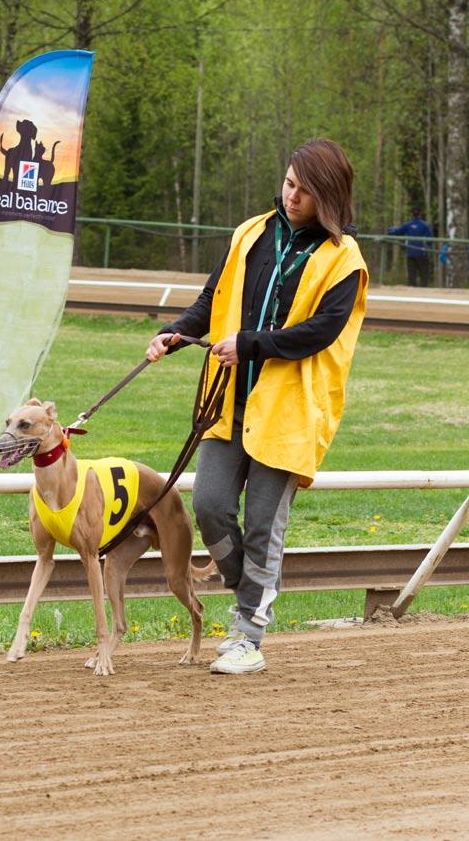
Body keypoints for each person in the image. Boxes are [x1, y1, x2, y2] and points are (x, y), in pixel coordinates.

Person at [146, 139, 368, 676]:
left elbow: (320, 333)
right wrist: (176, 333)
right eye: (289, 184)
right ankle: (249, 595)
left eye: (306, 190)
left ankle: (249, 635)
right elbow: (212, 300)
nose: (292, 196)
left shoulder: (345, 259)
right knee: (209, 505)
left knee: (265, 525)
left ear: (329, 196)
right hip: (227, 402)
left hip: (290, 411)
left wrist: (249, 343)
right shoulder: (250, 232)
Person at [387, 208, 433, 287]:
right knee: (424, 273)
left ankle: (412, 289)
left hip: (411, 252)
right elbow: (430, 238)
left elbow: (397, 232)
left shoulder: (407, 225)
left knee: (412, 273)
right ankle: (424, 289)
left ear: (412, 215)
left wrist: (390, 231)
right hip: (422, 253)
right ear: (420, 214)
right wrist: (428, 246)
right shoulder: (425, 225)